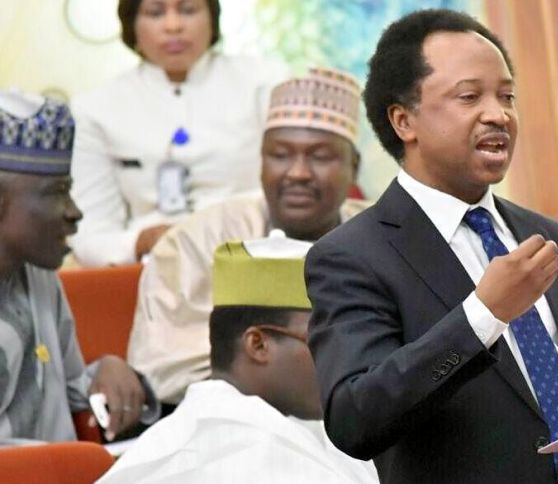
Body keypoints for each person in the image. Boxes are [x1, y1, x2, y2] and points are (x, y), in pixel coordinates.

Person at [305, 9, 558, 484]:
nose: (498, 115)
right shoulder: (352, 256)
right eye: (470, 97)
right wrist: (483, 315)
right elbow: (355, 417)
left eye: (507, 96)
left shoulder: (551, 238)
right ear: (404, 121)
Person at [126, 67, 366, 406]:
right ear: (261, 162)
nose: (298, 173)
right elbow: (162, 366)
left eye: (320, 156)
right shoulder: (197, 241)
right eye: (280, 155)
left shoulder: (387, 235)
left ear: (354, 167)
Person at [97, 238, 379, 483]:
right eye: (325, 341)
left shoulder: (311, 427)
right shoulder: (231, 450)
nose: (345, 359)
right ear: (258, 345)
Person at [70, 0, 287, 266]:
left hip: (254, 256)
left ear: (212, 17)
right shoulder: (95, 108)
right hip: (149, 268)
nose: (173, 26)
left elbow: (291, 196)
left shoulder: (264, 82)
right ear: (131, 23)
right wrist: (139, 241)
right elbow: (90, 234)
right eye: (155, 13)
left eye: (188, 10)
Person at [0, 90, 158, 445]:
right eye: (56, 192)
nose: (75, 212)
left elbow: (62, 388)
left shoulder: (38, 273)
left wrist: (105, 371)